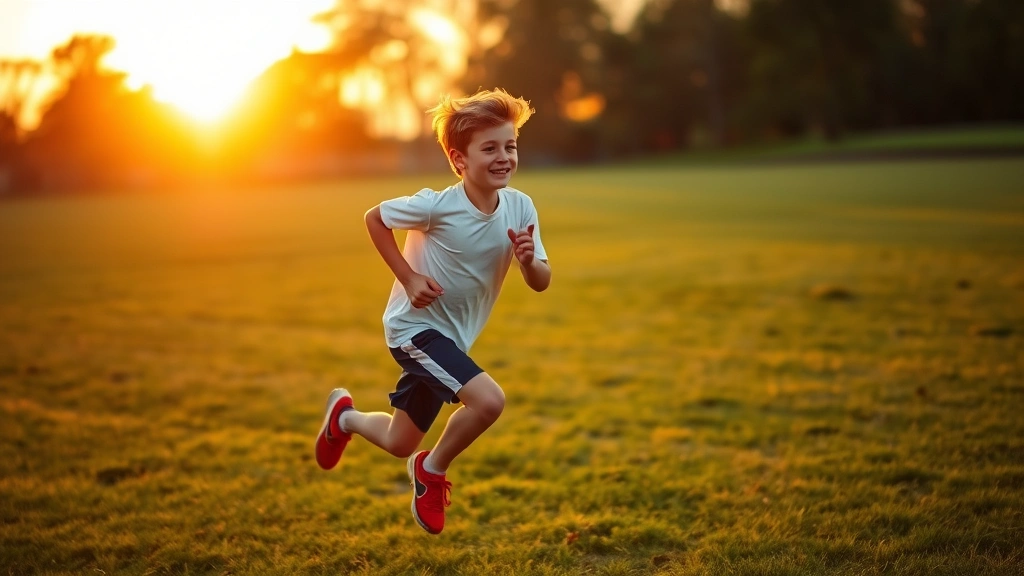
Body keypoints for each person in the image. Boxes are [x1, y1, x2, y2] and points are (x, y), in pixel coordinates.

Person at [314, 88, 551, 535]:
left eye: (510, 145)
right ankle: (433, 470)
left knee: (398, 441)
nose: (504, 157)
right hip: (413, 330)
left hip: (452, 340)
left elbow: (541, 280)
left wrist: (527, 261)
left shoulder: (520, 207)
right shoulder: (438, 206)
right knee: (488, 401)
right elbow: (374, 217)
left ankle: (342, 417)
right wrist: (408, 278)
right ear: (459, 160)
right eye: (490, 148)